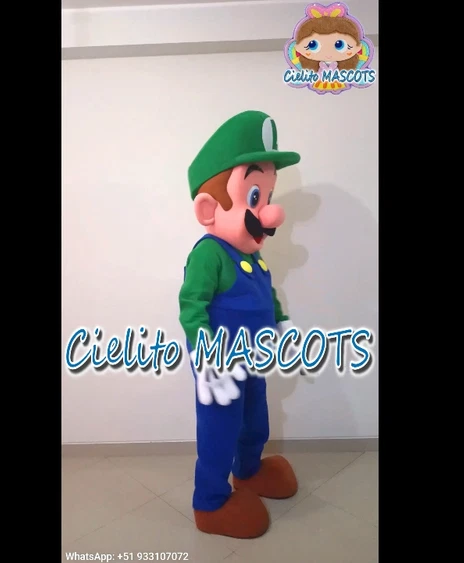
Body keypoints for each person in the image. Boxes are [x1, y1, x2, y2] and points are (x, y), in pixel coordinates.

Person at [178, 110, 304, 538]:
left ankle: (247, 471)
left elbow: (265, 295)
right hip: (219, 363)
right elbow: (192, 305)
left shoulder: (252, 255)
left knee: (255, 418)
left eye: (267, 197)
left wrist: (281, 325)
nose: (270, 214)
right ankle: (210, 501)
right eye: (255, 196)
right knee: (219, 429)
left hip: (253, 359)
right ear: (209, 208)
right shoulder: (209, 254)